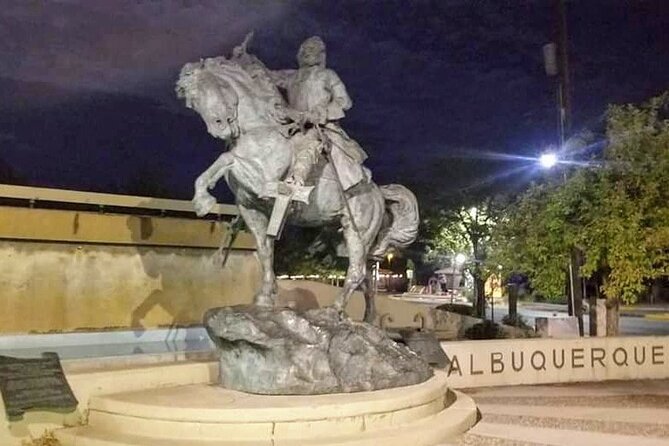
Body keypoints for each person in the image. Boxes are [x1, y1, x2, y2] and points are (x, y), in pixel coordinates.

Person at [269, 36, 369, 190]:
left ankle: (296, 181)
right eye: (305, 48)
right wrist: (246, 59)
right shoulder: (291, 76)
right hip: (293, 125)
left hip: (320, 127)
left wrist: (321, 113)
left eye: (313, 48)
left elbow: (344, 101)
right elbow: (265, 75)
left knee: (310, 140)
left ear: (320, 54)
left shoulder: (328, 75)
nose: (308, 51)